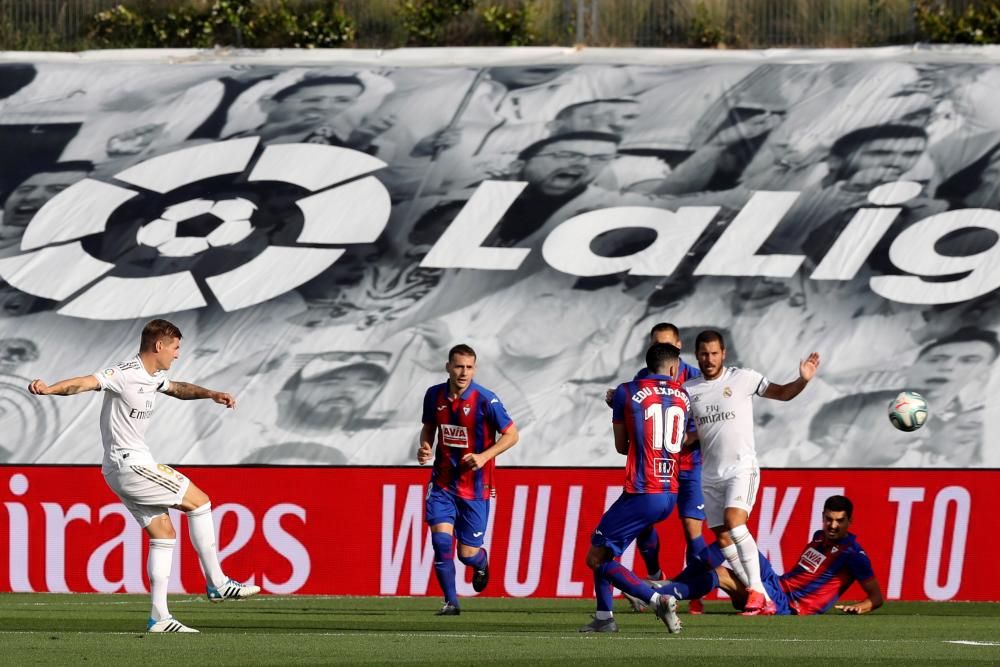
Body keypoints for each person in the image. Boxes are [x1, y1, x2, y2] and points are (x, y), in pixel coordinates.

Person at [26, 318, 259, 633]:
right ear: (158, 345)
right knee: (200, 503)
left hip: (125, 467)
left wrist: (210, 393)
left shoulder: (155, 376)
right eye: (175, 348)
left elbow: (177, 388)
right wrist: (50, 389)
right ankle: (217, 582)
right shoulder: (125, 374)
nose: (177, 354)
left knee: (164, 535)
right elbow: (85, 382)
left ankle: (159, 617)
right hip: (130, 465)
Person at [683, 329, 820, 615]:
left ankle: (756, 590)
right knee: (722, 537)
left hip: (741, 468)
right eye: (704, 354)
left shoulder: (743, 378)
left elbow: (782, 393)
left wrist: (803, 381)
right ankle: (761, 596)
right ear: (696, 356)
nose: (709, 359)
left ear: (724, 354)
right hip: (710, 474)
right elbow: (689, 435)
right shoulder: (690, 389)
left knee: (735, 521)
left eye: (714, 353)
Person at [579, 342, 690, 634]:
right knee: (605, 547)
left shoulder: (626, 392)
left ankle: (656, 599)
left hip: (644, 489)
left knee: (596, 556)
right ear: (673, 368)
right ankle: (604, 617)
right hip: (671, 491)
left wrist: (618, 406)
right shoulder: (684, 394)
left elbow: (621, 446)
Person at [605, 323, 708, 614]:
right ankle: (653, 575)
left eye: (666, 344)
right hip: (656, 465)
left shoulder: (696, 380)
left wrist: (682, 439)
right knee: (644, 524)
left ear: (678, 345)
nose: (660, 348)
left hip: (688, 465)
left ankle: (693, 594)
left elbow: (706, 422)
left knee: (692, 530)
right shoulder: (642, 378)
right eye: (655, 344)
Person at [417, 343, 519, 615]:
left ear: (474, 369)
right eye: (459, 366)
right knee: (440, 543)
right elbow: (428, 428)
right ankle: (451, 602)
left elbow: (512, 435)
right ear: (448, 367)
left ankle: (481, 563)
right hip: (442, 483)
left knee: (466, 554)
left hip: (475, 487)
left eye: (469, 367)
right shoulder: (433, 395)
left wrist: (485, 456)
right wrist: (425, 447)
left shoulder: (487, 400)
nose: (464, 372)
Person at [655, 495, 883, 616]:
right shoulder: (818, 536)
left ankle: (653, 595)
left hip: (788, 604)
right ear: (823, 516)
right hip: (777, 583)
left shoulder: (853, 554)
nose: (832, 525)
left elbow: (876, 597)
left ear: (849, 522)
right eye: (828, 519)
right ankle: (672, 584)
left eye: (839, 521)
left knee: (720, 573)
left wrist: (862, 606)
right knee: (730, 537)